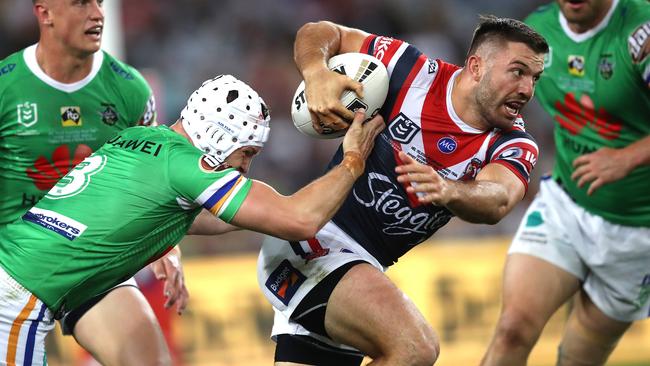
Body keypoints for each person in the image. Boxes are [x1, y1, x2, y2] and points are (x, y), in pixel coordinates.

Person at [0, 74, 384, 366]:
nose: (246, 167)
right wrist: (352, 162)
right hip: (18, 297)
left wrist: (262, 214)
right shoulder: (189, 166)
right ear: (219, 136)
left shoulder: (141, 139)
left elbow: (195, 216)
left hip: (19, 273)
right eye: (246, 153)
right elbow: (300, 221)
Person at [256, 15, 547, 365]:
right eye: (517, 72)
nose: (527, 90)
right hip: (315, 241)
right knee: (415, 347)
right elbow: (319, 32)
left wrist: (450, 190)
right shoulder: (409, 71)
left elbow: (499, 198)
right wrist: (317, 72)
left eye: (535, 78)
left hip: (356, 273)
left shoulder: (515, 142)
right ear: (476, 66)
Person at [0, 0, 188, 364]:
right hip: (12, 265)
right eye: (81, 3)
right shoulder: (6, 88)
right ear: (45, 13)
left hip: (88, 260)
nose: (97, 13)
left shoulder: (130, 91)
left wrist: (169, 248)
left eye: (100, 3)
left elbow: (149, 184)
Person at [481, 0, 650, 365]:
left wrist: (627, 157)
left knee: (577, 357)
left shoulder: (641, 31)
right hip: (566, 206)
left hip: (639, 230)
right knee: (512, 329)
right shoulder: (538, 32)